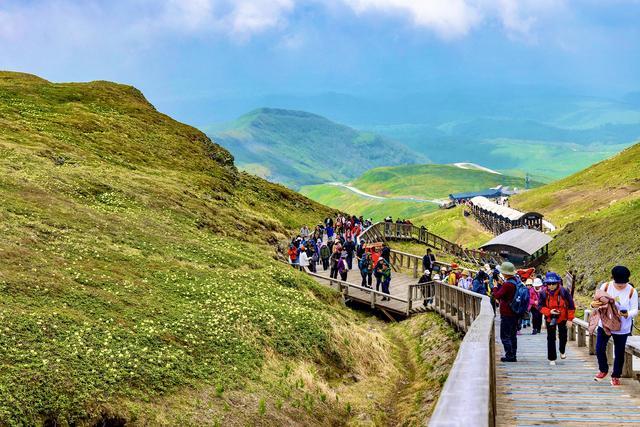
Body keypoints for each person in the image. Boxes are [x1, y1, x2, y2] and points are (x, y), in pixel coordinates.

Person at [592, 266, 638, 386]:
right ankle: (603, 369)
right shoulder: (606, 287)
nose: (621, 286)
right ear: (613, 279)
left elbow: (635, 310)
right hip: (606, 323)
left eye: (624, 283)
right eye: (619, 283)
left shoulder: (632, 291)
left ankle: (616, 375)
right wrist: (594, 304)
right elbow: (597, 301)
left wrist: (627, 313)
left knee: (619, 352)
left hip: (623, 326)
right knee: (599, 348)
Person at [538, 272, 575, 366]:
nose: (551, 286)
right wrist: (549, 312)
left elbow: (571, 305)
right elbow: (539, 306)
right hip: (550, 317)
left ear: (557, 283)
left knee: (563, 336)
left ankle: (562, 350)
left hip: (563, 317)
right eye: (549, 284)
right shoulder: (543, 293)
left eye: (553, 283)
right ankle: (552, 358)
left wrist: (570, 319)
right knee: (551, 337)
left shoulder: (564, 291)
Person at [492, 262, 519, 362]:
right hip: (514, 312)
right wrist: (502, 284)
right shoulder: (515, 281)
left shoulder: (507, 284)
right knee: (512, 335)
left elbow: (497, 295)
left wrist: (495, 286)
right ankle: (513, 354)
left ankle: (509, 355)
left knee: (505, 335)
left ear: (505, 273)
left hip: (507, 312)